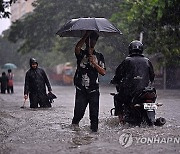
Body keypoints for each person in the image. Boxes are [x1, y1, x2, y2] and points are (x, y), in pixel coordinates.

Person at [111, 40, 155, 123]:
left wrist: (114, 81)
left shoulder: (127, 61)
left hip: (130, 92)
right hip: (145, 91)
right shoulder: (147, 61)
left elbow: (119, 74)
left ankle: (121, 120)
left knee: (117, 97)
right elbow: (152, 76)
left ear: (130, 49)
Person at [72, 31, 106, 132]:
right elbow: (77, 48)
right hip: (81, 89)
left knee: (94, 117)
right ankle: (75, 133)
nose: (92, 41)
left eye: (94, 40)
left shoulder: (99, 56)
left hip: (94, 90)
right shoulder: (81, 54)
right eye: (90, 39)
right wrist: (85, 36)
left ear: (96, 42)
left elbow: (103, 72)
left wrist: (94, 63)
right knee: (78, 114)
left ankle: (94, 137)